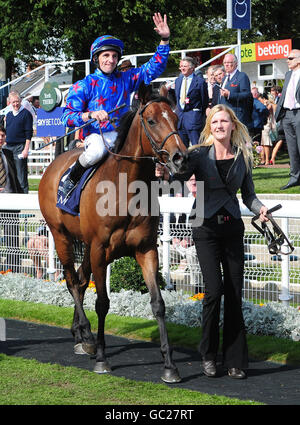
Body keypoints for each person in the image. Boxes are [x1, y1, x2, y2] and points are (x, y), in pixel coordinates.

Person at [177, 104, 269, 379]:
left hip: (232, 230)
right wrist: (177, 162)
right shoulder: (198, 155)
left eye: (224, 121)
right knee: (214, 291)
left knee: (234, 294)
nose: (219, 125)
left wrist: (261, 209)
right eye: (214, 121)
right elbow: (180, 174)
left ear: (232, 126)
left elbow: (249, 195)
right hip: (204, 229)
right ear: (210, 127)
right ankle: (208, 355)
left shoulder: (243, 156)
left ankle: (235, 360)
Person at [61, 12, 171, 196]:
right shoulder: (83, 85)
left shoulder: (126, 78)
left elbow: (153, 68)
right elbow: (67, 117)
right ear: (96, 58)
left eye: (114, 56)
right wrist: (91, 114)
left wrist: (165, 40)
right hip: (96, 136)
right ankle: (71, 179)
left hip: (122, 136)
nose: (110, 60)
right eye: (106, 55)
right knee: (97, 151)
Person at [275, 49, 300, 190]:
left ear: (298, 60)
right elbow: (284, 94)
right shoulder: (288, 74)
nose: (287, 60)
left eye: (290, 58)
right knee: (291, 148)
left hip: (299, 113)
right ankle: (294, 177)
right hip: (287, 114)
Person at [0, 126, 22, 272]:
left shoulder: (7, 153)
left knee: (13, 238)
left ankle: (14, 270)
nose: (1, 138)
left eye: (2, 135)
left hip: (11, 200)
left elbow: (15, 176)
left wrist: (20, 196)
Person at [174, 56, 208, 147]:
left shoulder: (200, 82)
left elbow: (204, 101)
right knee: (182, 148)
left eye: (184, 66)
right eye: (181, 66)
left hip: (193, 120)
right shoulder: (178, 81)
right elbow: (177, 99)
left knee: (197, 147)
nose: (182, 68)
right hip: (180, 120)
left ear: (192, 68)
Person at [5, 91, 33, 194]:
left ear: (20, 101)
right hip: (8, 147)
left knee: (21, 176)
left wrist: (26, 149)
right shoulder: (8, 115)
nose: (15, 104)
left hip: (20, 148)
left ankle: (24, 199)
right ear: (10, 103)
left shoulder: (26, 114)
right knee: (10, 175)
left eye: (17, 101)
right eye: (13, 102)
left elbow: (28, 133)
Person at [218, 53, 252, 129]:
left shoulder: (242, 76)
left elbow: (246, 95)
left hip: (236, 116)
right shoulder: (224, 78)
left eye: (229, 62)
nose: (226, 65)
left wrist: (230, 94)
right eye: (225, 63)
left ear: (235, 64)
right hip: (224, 115)